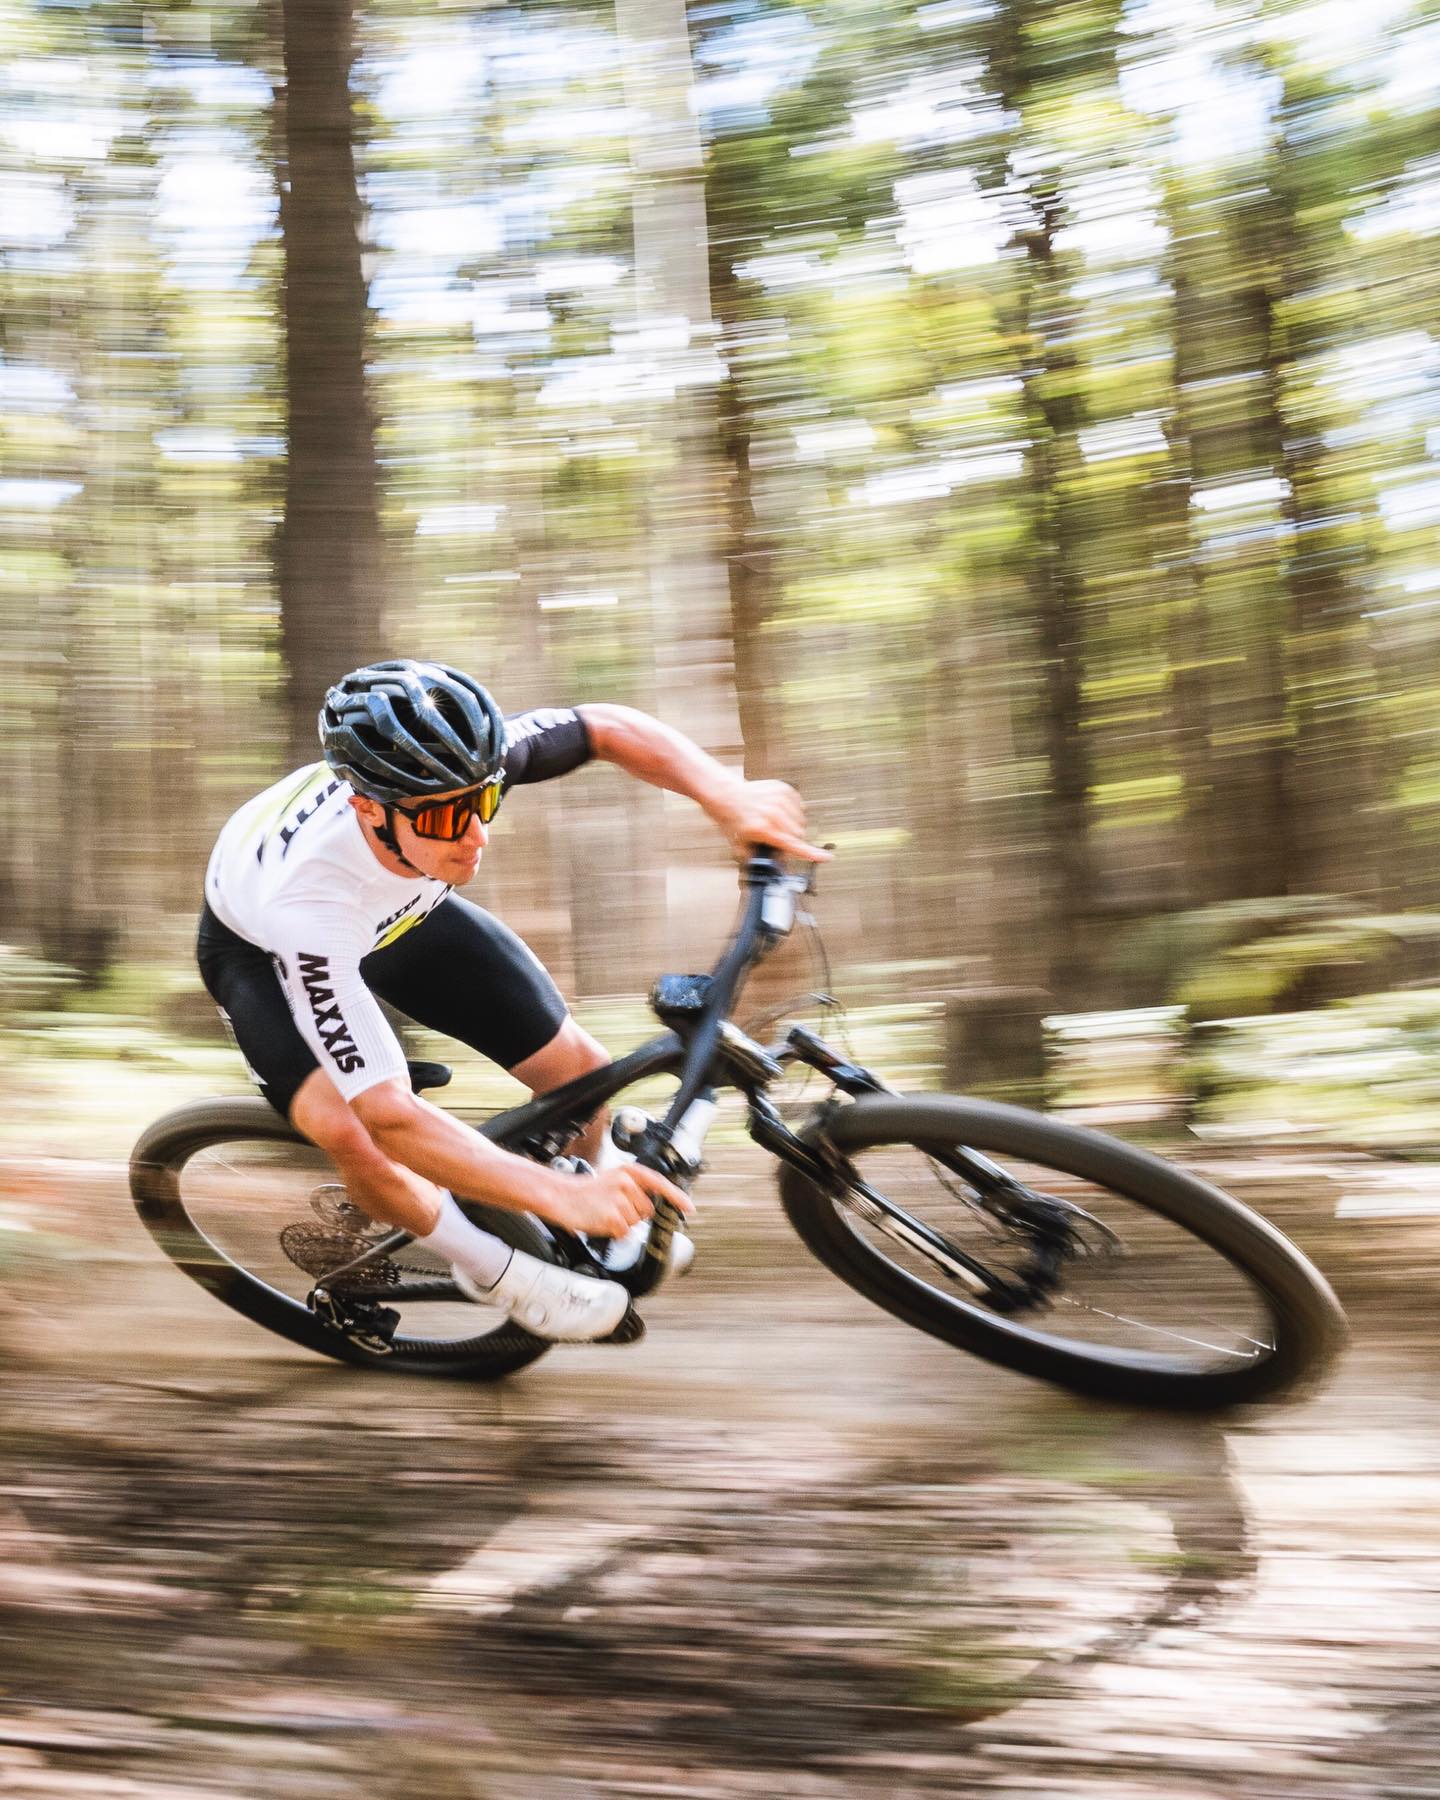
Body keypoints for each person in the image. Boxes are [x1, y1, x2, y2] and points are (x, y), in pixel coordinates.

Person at [197, 659, 827, 1343]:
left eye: (484, 801)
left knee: (583, 1072)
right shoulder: (310, 905)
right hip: (262, 951)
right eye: (444, 817)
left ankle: (585, 1215)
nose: (476, 837)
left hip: (402, 910)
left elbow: (603, 727)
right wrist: (563, 1197)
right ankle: (493, 1268)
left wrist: (725, 795)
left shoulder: (458, 770)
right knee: (355, 1133)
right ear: (369, 808)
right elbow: (391, 1119)